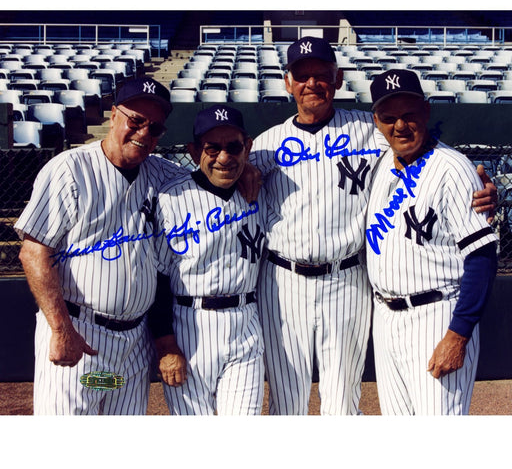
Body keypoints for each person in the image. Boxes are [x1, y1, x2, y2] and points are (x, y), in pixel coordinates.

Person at [250, 36, 497, 415]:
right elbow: (224, 181)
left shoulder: (370, 131)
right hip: (283, 283)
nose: (312, 83)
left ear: (338, 78)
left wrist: (478, 185)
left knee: (343, 402)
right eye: (302, 75)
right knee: (287, 400)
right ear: (287, 82)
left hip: (348, 279)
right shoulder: (264, 148)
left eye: (322, 74)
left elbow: (421, 145)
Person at [14, 77, 188, 415]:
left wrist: (249, 174)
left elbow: (214, 174)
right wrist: (61, 329)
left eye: (154, 128)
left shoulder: (163, 174)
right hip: (80, 334)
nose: (143, 133)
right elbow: (33, 252)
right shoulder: (69, 169)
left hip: (134, 345)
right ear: (113, 116)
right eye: (135, 120)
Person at [365, 69, 498, 415]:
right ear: (376, 122)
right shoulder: (381, 163)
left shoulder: (453, 168)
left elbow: (482, 257)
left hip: (436, 317)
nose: (400, 126)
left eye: (409, 115)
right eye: (389, 117)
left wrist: (458, 335)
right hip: (386, 319)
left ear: (426, 111)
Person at [153, 105, 268, 415]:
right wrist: (166, 346)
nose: (224, 157)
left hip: (246, 322)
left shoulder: (262, 192)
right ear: (193, 151)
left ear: (248, 147)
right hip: (189, 327)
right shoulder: (170, 200)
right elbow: (158, 280)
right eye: (212, 148)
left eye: (233, 147)